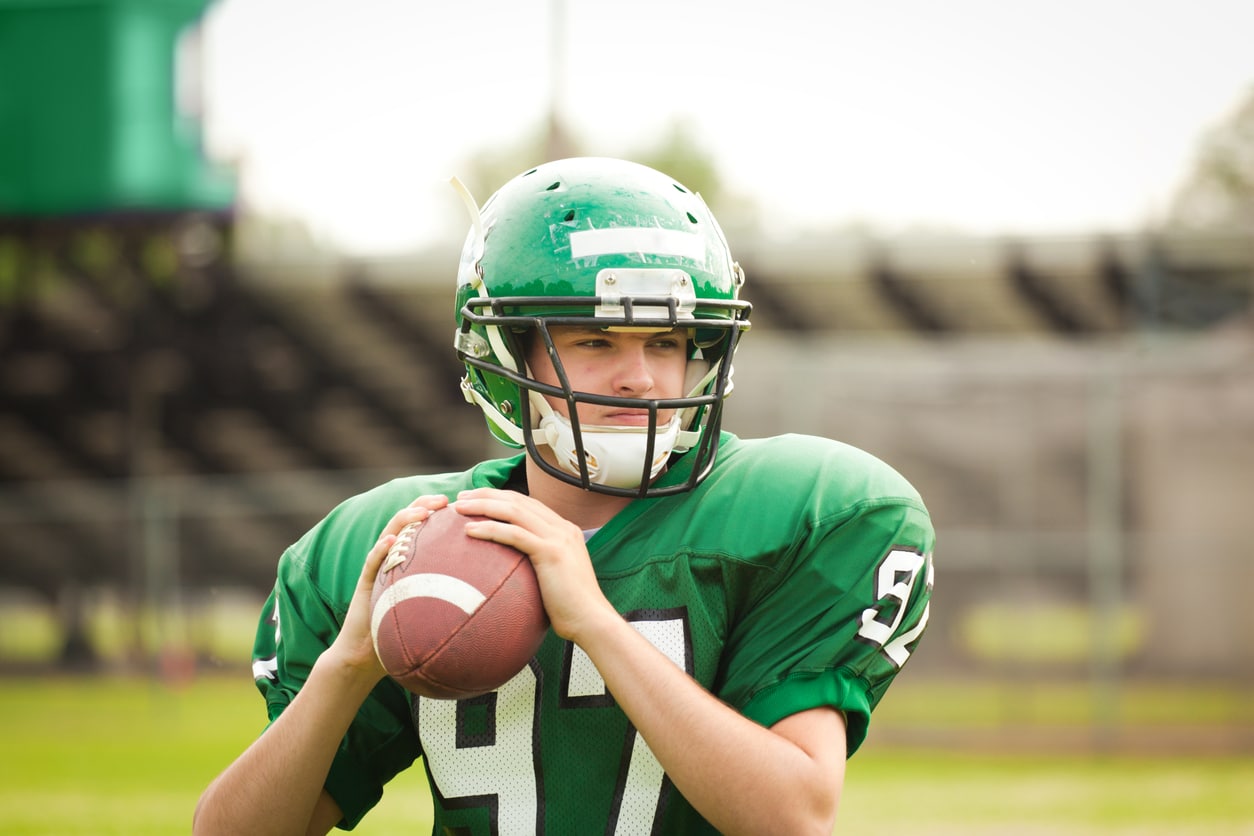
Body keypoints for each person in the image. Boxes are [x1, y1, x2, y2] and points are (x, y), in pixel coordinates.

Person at [193, 157, 935, 835]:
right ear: (505, 353)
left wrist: (598, 624)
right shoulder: (406, 543)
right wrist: (346, 666)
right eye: (594, 341)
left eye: (667, 343)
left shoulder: (804, 514)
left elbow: (794, 817)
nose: (640, 378)